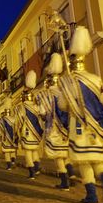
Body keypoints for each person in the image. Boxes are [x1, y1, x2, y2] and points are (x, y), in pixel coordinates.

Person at [58, 26, 103, 203]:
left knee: (84, 162)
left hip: (79, 125)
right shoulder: (95, 78)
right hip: (97, 124)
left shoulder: (69, 82)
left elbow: (62, 105)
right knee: (98, 159)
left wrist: (71, 100)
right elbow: (101, 99)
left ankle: (92, 197)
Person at [38, 53, 75, 191]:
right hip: (67, 128)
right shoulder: (64, 92)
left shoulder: (44, 95)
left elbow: (42, 113)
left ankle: (65, 182)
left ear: (48, 81)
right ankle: (72, 174)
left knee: (58, 156)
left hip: (53, 128)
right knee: (66, 153)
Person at [15, 70, 43, 179]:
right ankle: (37, 168)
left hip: (26, 133)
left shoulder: (20, 108)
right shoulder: (36, 107)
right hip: (36, 132)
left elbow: (19, 121)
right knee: (35, 151)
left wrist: (18, 132)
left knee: (28, 154)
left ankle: (31, 172)